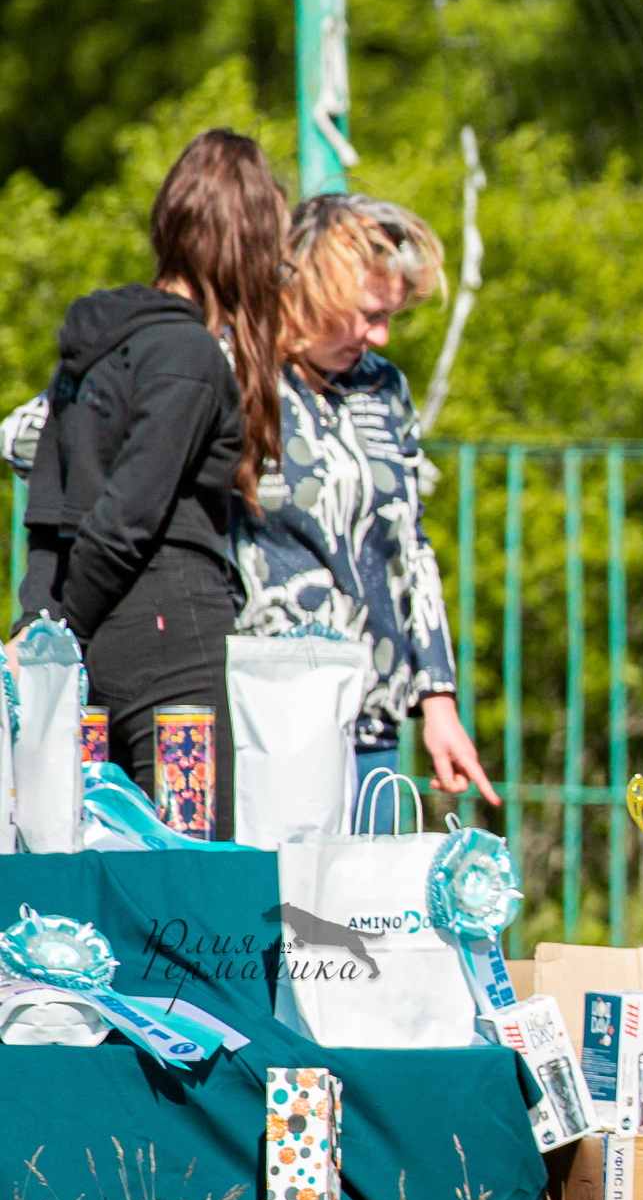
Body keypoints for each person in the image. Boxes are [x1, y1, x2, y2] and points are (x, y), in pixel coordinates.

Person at [14, 129, 289, 838]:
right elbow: (125, 517)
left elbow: (47, 514)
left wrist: (40, 637)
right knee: (187, 893)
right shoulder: (191, 354)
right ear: (245, 244)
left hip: (87, 661)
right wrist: (62, 630)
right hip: (175, 655)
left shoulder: (89, 354)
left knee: (87, 879)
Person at [236, 193, 496, 815]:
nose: (379, 336)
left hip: (370, 724)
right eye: (366, 314)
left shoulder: (384, 385)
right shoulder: (232, 370)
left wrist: (438, 699)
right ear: (310, 290)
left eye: (391, 317)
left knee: (355, 914)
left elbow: (409, 541)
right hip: (264, 718)